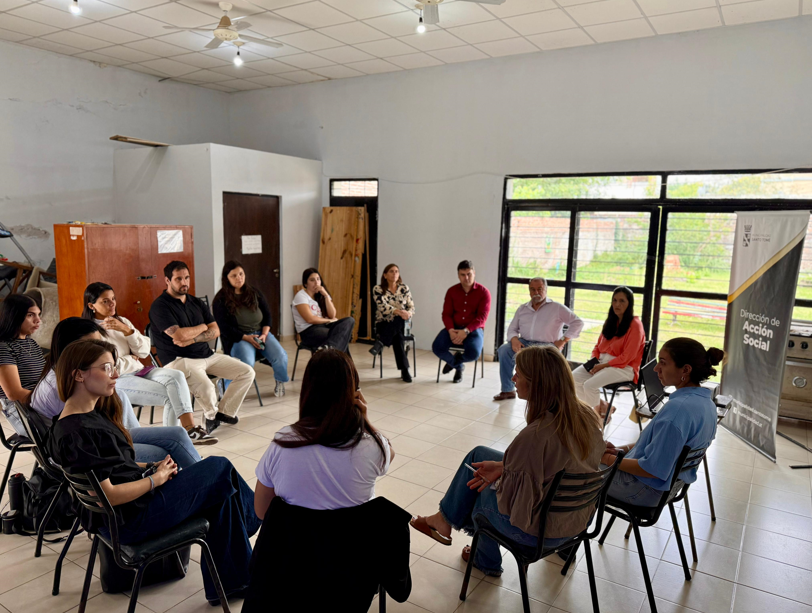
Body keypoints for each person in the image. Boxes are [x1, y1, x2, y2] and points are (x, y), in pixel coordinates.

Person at [47, 339, 261, 606]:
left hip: (131, 509)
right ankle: (256, 519)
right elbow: (107, 496)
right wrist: (154, 480)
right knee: (220, 468)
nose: (115, 375)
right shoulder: (81, 432)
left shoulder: (77, 419)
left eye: (114, 367)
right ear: (78, 374)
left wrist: (150, 468)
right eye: (106, 368)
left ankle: (236, 582)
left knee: (220, 494)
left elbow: (112, 467)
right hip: (131, 520)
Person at [409, 346, 604, 577]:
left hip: (541, 533)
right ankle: (443, 520)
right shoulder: (586, 416)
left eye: (518, 374)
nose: (513, 379)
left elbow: (515, 506)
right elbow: (556, 466)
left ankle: (485, 560)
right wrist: (504, 467)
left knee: (480, 490)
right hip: (576, 522)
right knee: (479, 455)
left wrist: (500, 479)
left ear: (537, 383)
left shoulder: (536, 435)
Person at [31, 318, 201, 468]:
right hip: (90, 448)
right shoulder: (62, 386)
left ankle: (203, 480)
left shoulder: (67, 373)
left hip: (102, 436)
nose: (99, 350)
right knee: (164, 454)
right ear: (72, 350)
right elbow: (84, 442)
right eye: (92, 346)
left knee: (177, 434)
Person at [253, 348, 393, 519]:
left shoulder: (284, 442)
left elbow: (261, 512)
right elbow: (389, 454)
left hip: (295, 544)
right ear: (354, 393)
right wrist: (365, 422)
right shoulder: (371, 446)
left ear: (308, 390)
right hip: (354, 544)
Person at [81, 282, 216, 445]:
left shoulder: (122, 321)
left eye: (113, 299)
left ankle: (190, 431)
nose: (112, 304)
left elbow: (144, 351)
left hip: (140, 371)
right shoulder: (90, 332)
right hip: (118, 380)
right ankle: (175, 443)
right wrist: (131, 358)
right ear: (91, 305)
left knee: (177, 376)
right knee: (171, 396)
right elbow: (109, 368)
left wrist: (127, 331)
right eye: (105, 301)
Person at [602, 338, 724, 506]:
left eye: (663, 363)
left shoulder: (677, 410)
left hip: (641, 489)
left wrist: (607, 459)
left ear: (686, 370)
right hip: (667, 489)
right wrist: (617, 451)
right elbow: (658, 447)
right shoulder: (707, 403)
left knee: (573, 469)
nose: (656, 368)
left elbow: (651, 468)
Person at [149, 261, 255, 435]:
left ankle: (223, 413)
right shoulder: (160, 306)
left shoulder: (196, 302)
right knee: (207, 387)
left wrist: (195, 337)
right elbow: (180, 336)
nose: (184, 282)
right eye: (178, 279)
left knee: (246, 372)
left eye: (186, 278)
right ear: (167, 281)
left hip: (206, 355)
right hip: (179, 360)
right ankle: (211, 415)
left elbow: (216, 330)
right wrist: (203, 327)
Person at [494, 277, 584, 401]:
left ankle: (544, 394)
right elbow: (512, 329)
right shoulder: (522, 309)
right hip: (525, 343)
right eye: (533, 289)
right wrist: (514, 339)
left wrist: (563, 340)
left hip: (547, 345)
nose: (536, 292)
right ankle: (508, 389)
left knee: (544, 359)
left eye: (539, 289)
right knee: (504, 350)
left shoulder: (556, 307)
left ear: (546, 290)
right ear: (529, 291)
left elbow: (577, 323)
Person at [212, 261, 289, 398]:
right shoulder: (220, 299)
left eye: (241, 274)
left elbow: (267, 315)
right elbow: (224, 328)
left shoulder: (254, 292)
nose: (239, 278)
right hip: (240, 338)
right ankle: (224, 384)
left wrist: (264, 334)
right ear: (226, 278)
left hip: (261, 335)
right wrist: (246, 337)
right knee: (246, 364)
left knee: (281, 356)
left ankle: (280, 381)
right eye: (234, 276)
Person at [571, 287, 645, 421]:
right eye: (615, 300)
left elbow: (627, 357)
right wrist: (594, 360)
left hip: (624, 367)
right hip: (602, 362)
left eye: (622, 301)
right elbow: (598, 347)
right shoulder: (611, 321)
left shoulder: (635, 325)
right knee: (572, 379)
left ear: (630, 304)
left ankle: (594, 421)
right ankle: (603, 407)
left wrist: (604, 365)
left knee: (589, 385)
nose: (617, 304)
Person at [432, 260, 491, 384]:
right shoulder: (452, 291)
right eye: (463, 275)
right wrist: (451, 331)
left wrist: (466, 331)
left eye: (469, 274)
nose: (466, 277)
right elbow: (446, 314)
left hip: (474, 329)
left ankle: (455, 361)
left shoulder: (483, 292)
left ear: (474, 273)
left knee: (474, 353)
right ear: (458, 275)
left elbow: (482, 317)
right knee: (437, 347)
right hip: (453, 327)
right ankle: (458, 366)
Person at [370, 263, 415, 383]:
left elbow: (411, 306)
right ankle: (405, 370)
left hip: (402, 324)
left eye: (396, 271)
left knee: (400, 320)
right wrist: (399, 312)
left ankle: (381, 342)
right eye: (391, 271)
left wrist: (408, 313)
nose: (394, 273)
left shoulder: (404, 288)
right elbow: (382, 307)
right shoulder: (378, 289)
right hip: (384, 323)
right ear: (385, 275)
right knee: (398, 337)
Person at [292, 268, 354, 353]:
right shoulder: (301, 296)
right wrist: (329, 320)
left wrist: (326, 295)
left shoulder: (320, 296)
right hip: (309, 331)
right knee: (340, 337)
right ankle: (341, 362)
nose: (316, 282)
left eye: (318, 279)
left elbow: (332, 314)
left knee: (349, 320)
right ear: (305, 283)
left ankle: (328, 349)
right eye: (312, 280)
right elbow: (310, 319)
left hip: (323, 327)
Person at [0, 294, 45, 406]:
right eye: (30, 315)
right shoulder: (3, 347)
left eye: (38, 314)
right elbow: (14, 394)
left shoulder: (32, 343)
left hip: (39, 402)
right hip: (19, 408)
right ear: (13, 316)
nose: (38, 320)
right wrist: (51, 402)